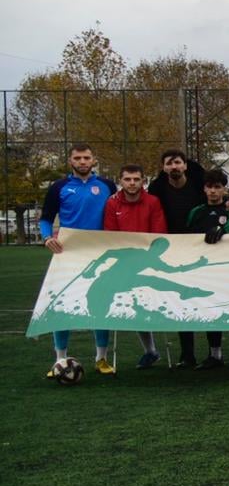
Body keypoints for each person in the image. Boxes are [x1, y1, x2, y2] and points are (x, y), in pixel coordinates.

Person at [40, 143, 115, 376]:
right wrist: (47, 237)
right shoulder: (59, 187)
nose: (82, 162)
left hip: (100, 254)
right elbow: (45, 218)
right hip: (68, 254)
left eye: (86, 158)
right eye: (78, 158)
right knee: (62, 305)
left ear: (94, 160)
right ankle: (60, 360)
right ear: (70, 161)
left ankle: (101, 359)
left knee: (100, 304)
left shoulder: (107, 186)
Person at [99, 162, 171, 369]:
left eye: (136, 179)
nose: (132, 183)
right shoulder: (112, 203)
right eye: (127, 179)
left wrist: (147, 257)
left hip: (148, 260)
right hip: (123, 262)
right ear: (120, 181)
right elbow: (110, 235)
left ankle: (154, 350)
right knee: (133, 304)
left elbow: (159, 234)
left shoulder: (153, 201)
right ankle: (150, 351)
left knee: (153, 301)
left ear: (143, 181)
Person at [148, 148, 212, 368]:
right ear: (163, 168)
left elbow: (215, 200)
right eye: (169, 163)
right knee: (182, 299)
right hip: (173, 250)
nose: (173, 166)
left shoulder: (199, 183)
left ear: (185, 165)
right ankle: (187, 355)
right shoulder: (157, 188)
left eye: (177, 162)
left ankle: (215, 353)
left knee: (209, 297)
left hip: (202, 247)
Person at [185, 169, 229, 369]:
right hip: (206, 270)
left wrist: (222, 231)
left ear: (224, 189)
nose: (213, 191)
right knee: (211, 309)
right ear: (204, 188)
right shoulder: (196, 211)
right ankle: (215, 354)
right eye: (209, 187)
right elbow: (188, 237)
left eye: (217, 187)